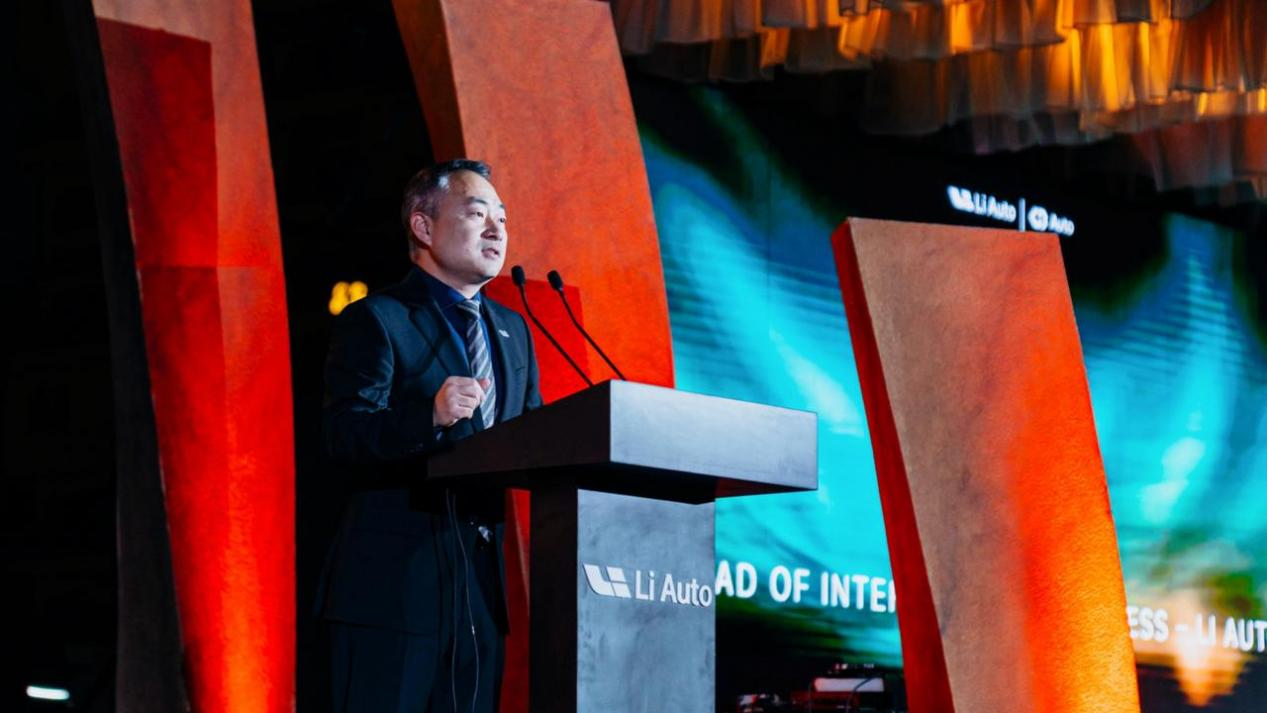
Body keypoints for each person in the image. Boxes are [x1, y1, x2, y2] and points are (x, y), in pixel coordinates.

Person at [317, 159, 541, 712]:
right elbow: (343, 435)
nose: (497, 229)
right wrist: (428, 418)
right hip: (391, 593)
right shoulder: (378, 319)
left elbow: (534, 435)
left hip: (480, 596)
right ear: (423, 226)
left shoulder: (513, 330)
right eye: (478, 214)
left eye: (503, 217)